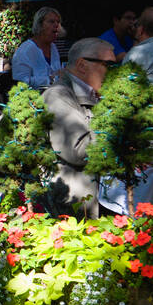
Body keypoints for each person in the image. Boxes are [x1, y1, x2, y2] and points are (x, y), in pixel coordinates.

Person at [43, 37, 117, 217]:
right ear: (82, 65)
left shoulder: (95, 93)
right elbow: (78, 151)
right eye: (108, 65)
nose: (115, 72)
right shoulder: (58, 96)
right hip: (77, 203)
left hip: (105, 189)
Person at [12, 7, 64, 88]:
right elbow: (20, 82)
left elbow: (57, 74)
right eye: (51, 21)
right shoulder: (25, 51)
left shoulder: (53, 48)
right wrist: (50, 79)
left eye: (58, 22)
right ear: (39, 25)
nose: (57, 25)